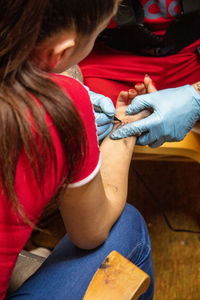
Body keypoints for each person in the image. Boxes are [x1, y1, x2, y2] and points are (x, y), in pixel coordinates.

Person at [0, 1, 154, 299]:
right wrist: (127, 125)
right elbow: (91, 233)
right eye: (96, 36)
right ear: (57, 53)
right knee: (129, 225)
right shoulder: (59, 105)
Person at [79, 0, 200, 146]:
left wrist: (195, 97)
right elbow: (52, 34)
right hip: (107, 55)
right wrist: (68, 83)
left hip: (193, 56)